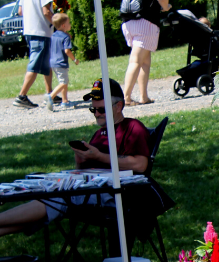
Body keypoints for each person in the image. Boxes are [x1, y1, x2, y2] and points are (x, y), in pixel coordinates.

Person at [0, 79, 150, 237]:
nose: (96, 114)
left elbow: (140, 165)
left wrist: (99, 156)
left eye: (101, 109)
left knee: (56, 199)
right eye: (93, 109)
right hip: (91, 190)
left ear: (118, 106)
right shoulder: (99, 134)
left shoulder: (133, 127)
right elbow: (86, 170)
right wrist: (81, 161)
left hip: (116, 194)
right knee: (51, 196)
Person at [120, 0, 171, 107]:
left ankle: (144, 96)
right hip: (145, 24)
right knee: (136, 60)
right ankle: (126, 98)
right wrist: (166, 6)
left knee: (145, 61)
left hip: (128, 24)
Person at [14, 0, 60, 109]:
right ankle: (22, 96)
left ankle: (50, 94)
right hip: (41, 31)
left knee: (46, 63)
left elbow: (20, 11)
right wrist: (58, 24)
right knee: (34, 64)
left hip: (29, 30)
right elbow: (46, 12)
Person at [48, 12, 79, 111]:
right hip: (61, 62)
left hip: (53, 62)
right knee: (64, 82)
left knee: (63, 82)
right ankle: (50, 96)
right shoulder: (65, 37)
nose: (70, 25)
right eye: (68, 23)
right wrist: (74, 59)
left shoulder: (53, 35)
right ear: (63, 25)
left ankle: (65, 101)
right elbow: (67, 51)